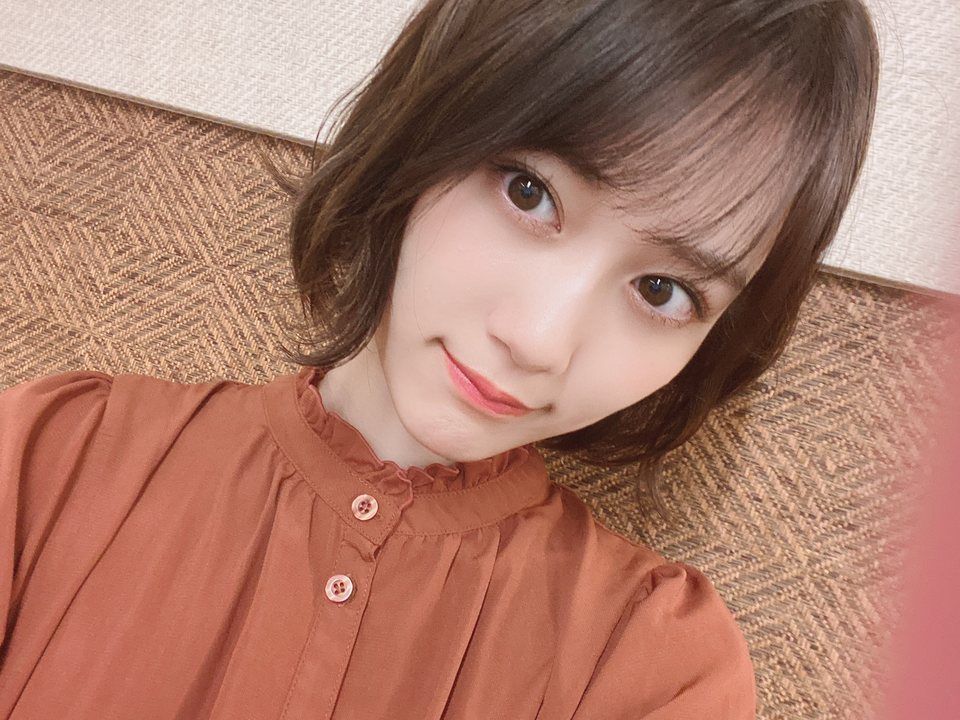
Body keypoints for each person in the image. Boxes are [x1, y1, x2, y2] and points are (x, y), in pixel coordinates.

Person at [0, 0, 879, 717]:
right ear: (424, 129)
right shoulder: (51, 460)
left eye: (662, 291)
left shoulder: (653, 669)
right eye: (530, 192)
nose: (539, 340)